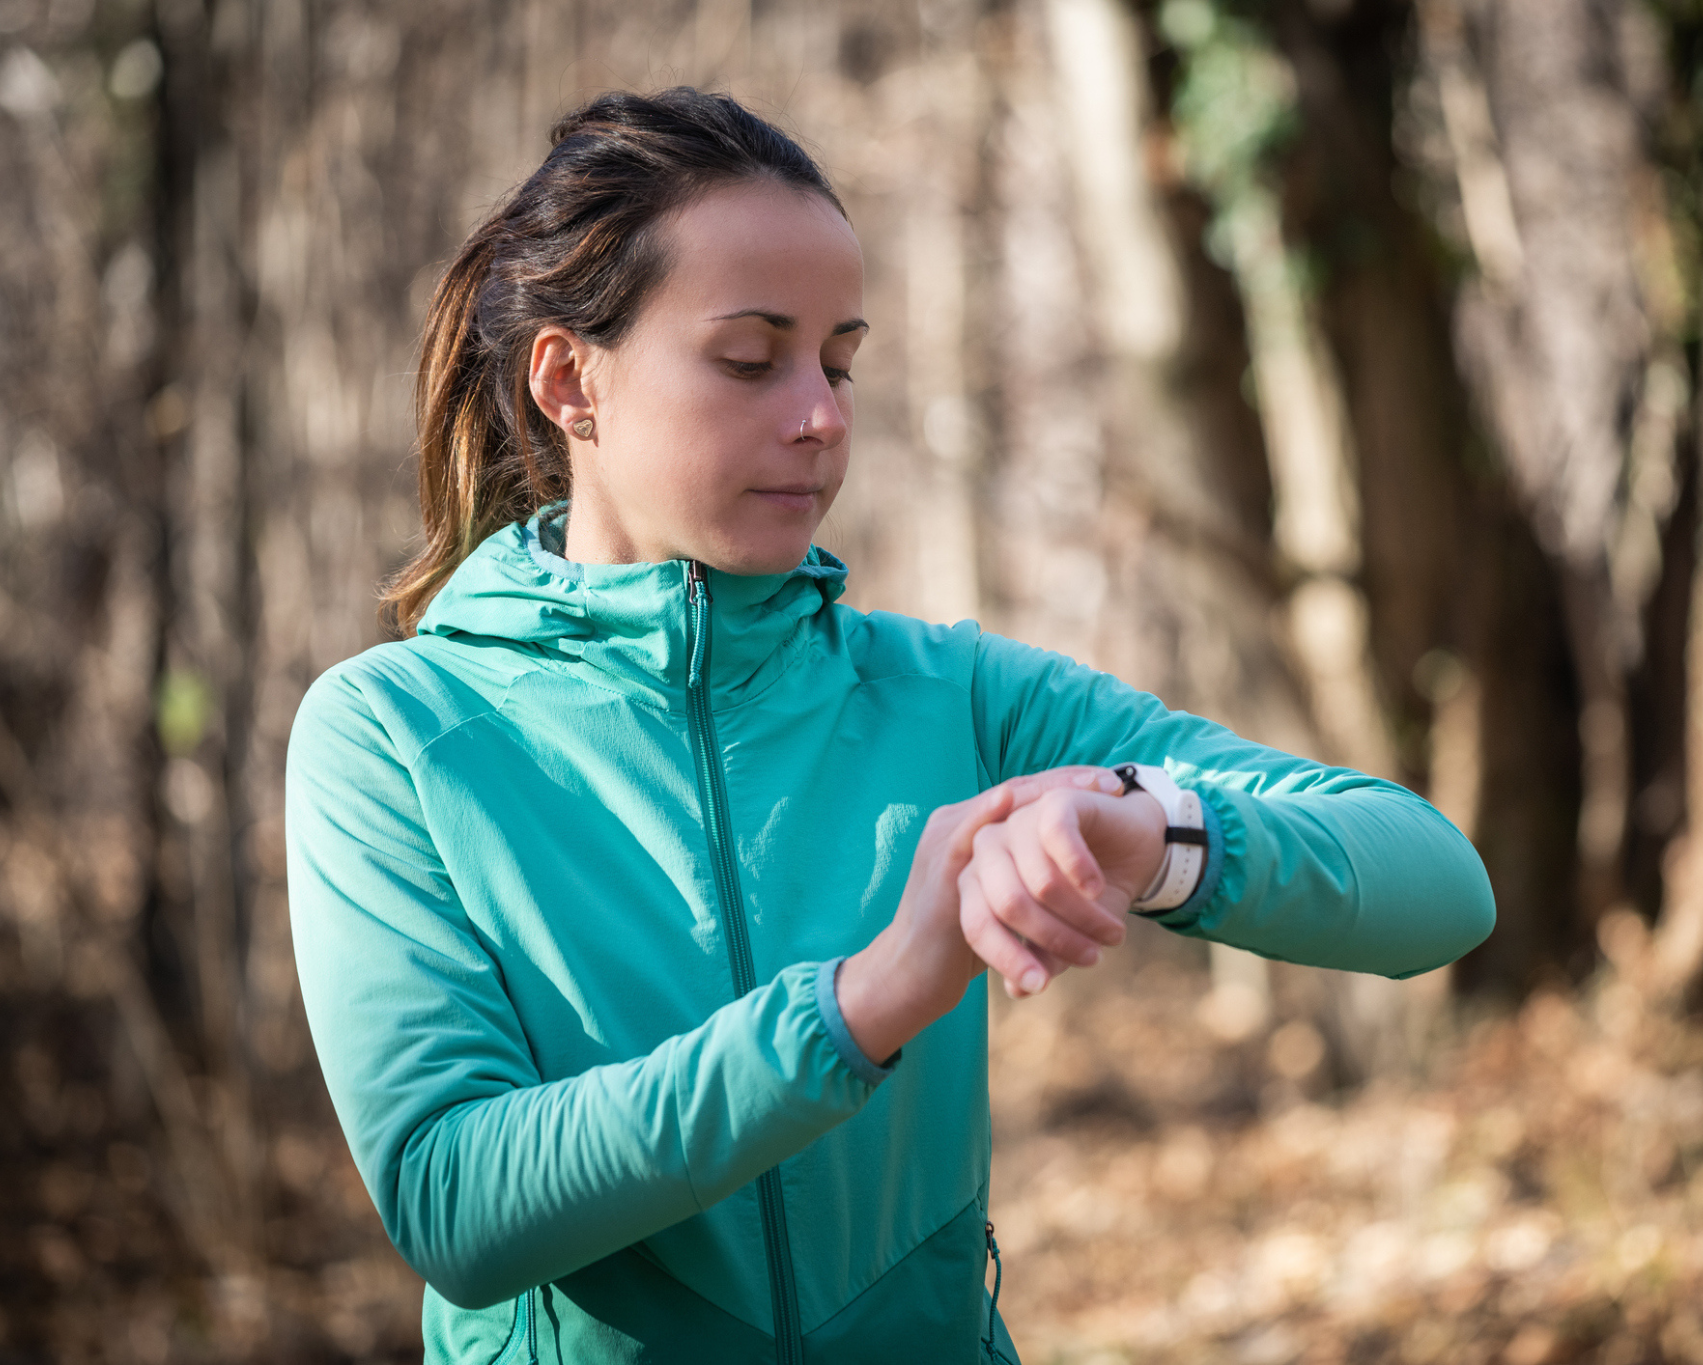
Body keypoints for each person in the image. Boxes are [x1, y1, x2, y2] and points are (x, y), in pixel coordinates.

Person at [285, 86, 1495, 1365]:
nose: (820, 414)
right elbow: (455, 1204)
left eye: (840, 361)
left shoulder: (956, 699)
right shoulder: (395, 735)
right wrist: (862, 1004)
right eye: (750, 359)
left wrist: (1148, 836)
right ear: (567, 381)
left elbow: (1435, 886)